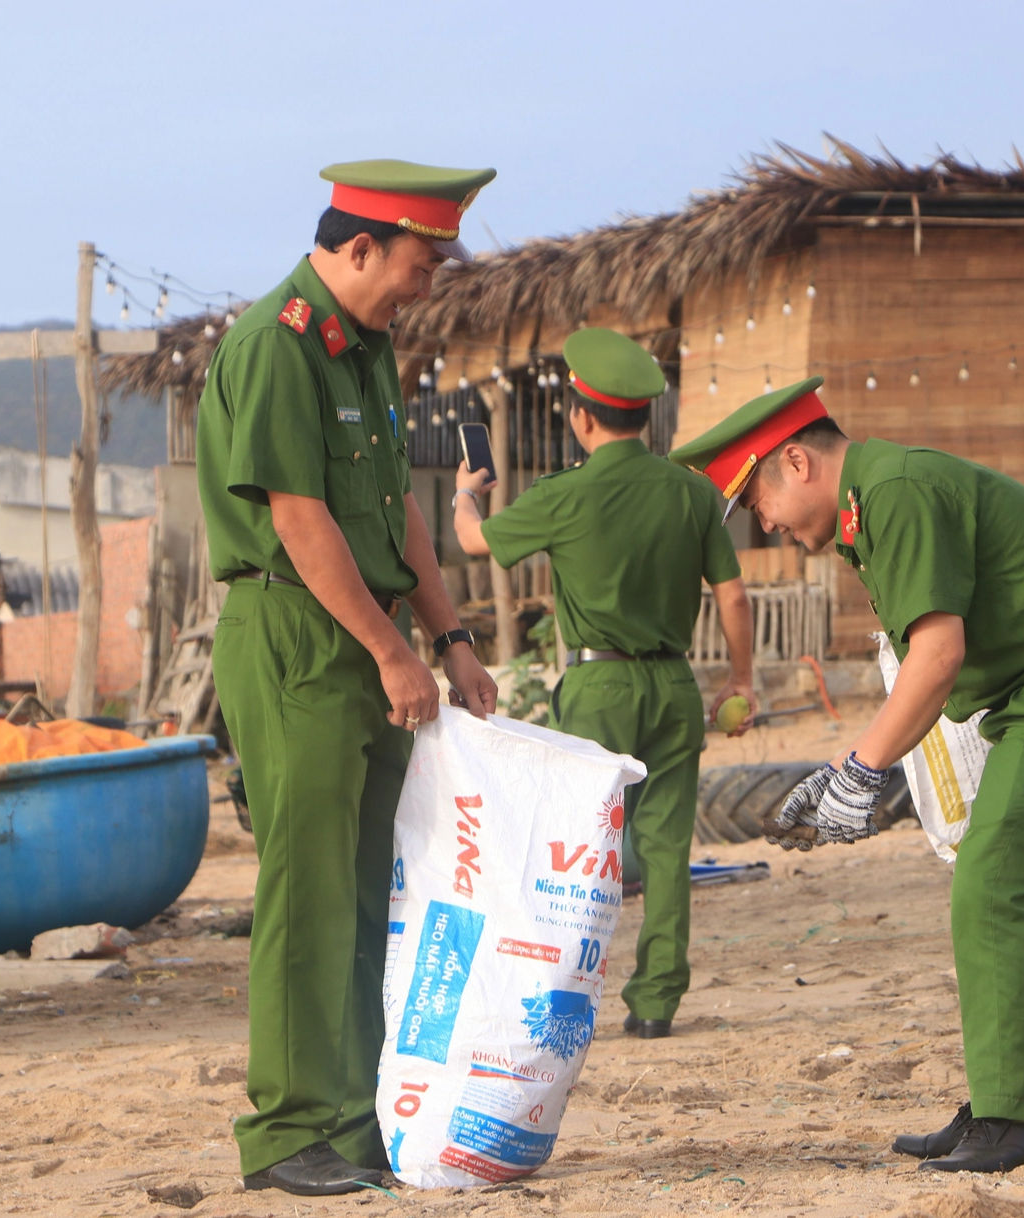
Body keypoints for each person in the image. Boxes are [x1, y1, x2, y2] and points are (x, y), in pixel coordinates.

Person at [670, 379, 1024, 1173]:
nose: (760, 521)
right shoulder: (882, 494)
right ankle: (1018, 1096)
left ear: (795, 461)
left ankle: (1010, 1118)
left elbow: (936, 659)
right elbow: (925, 668)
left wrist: (858, 773)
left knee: (994, 883)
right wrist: (845, 768)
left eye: (755, 498)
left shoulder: (890, 491)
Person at [197, 159, 501, 1197]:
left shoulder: (362, 350)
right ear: (359, 247)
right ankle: (286, 1130)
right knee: (308, 890)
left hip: (367, 635)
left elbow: (393, 509)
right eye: (417, 266)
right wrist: (387, 649)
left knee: (370, 889)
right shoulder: (275, 347)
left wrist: (448, 635)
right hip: (298, 634)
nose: (423, 288)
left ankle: (355, 1117)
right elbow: (298, 518)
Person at [453, 327, 757, 1039]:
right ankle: (655, 1003)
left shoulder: (567, 493)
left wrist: (468, 495)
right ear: (646, 418)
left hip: (597, 689)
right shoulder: (691, 492)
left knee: (579, 850)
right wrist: (739, 678)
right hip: (676, 687)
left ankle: (563, 992)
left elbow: (471, 542)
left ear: (581, 418)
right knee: (665, 847)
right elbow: (734, 596)